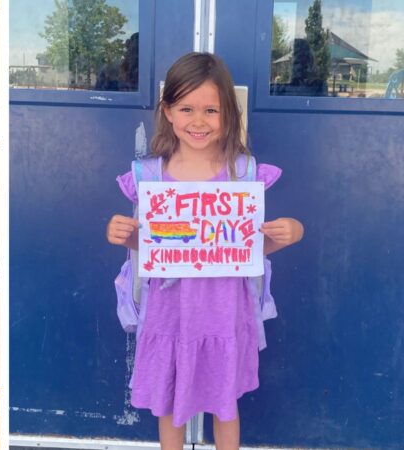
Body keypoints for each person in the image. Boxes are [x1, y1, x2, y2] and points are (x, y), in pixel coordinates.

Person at [106, 53, 303, 450]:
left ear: (228, 113)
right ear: (168, 112)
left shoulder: (244, 173)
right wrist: (124, 235)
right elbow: (150, 249)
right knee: (167, 404)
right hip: (168, 311)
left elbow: (246, 247)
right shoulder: (149, 175)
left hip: (223, 312)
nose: (199, 121)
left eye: (211, 109)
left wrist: (290, 233)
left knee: (225, 404)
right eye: (187, 109)